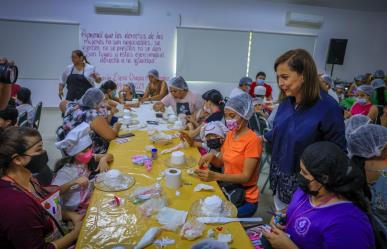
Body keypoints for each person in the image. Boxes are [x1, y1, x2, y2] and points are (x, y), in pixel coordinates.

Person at [264, 49, 346, 210]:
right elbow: (281, 130)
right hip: (281, 178)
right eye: (278, 77)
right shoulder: (287, 102)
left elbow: (338, 153)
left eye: (285, 77)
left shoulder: (328, 108)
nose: (280, 83)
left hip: (308, 188)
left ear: (304, 75)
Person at [263, 141, 376, 249]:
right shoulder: (309, 190)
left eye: (305, 172)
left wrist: (288, 247)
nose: (300, 175)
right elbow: (297, 209)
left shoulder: (348, 224)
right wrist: (282, 216)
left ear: (324, 178)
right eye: (301, 170)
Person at [0, 126, 82, 249]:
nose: (44, 153)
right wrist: (75, 234)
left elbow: (44, 210)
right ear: (17, 159)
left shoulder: (29, 180)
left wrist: (70, 215)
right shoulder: (15, 204)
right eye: (39, 150)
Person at [196, 93, 262, 218]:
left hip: (245, 198)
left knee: (214, 217)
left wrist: (216, 176)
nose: (228, 120)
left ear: (244, 115)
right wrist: (212, 157)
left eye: (232, 116)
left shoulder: (253, 140)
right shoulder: (231, 134)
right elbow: (222, 162)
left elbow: (245, 177)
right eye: (226, 116)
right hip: (229, 189)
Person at [54, 122, 113, 213]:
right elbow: (53, 193)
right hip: (75, 210)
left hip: (89, 200)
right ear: (73, 154)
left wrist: (103, 159)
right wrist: (73, 182)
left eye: (90, 148)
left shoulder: (86, 159)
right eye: (84, 151)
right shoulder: (65, 172)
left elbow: (110, 156)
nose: (89, 153)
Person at [62, 88, 121, 154]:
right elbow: (110, 136)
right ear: (96, 102)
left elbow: (62, 104)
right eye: (102, 101)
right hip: (85, 152)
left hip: (70, 147)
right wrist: (116, 126)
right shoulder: (92, 114)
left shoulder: (72, 106)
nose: (103, 103)